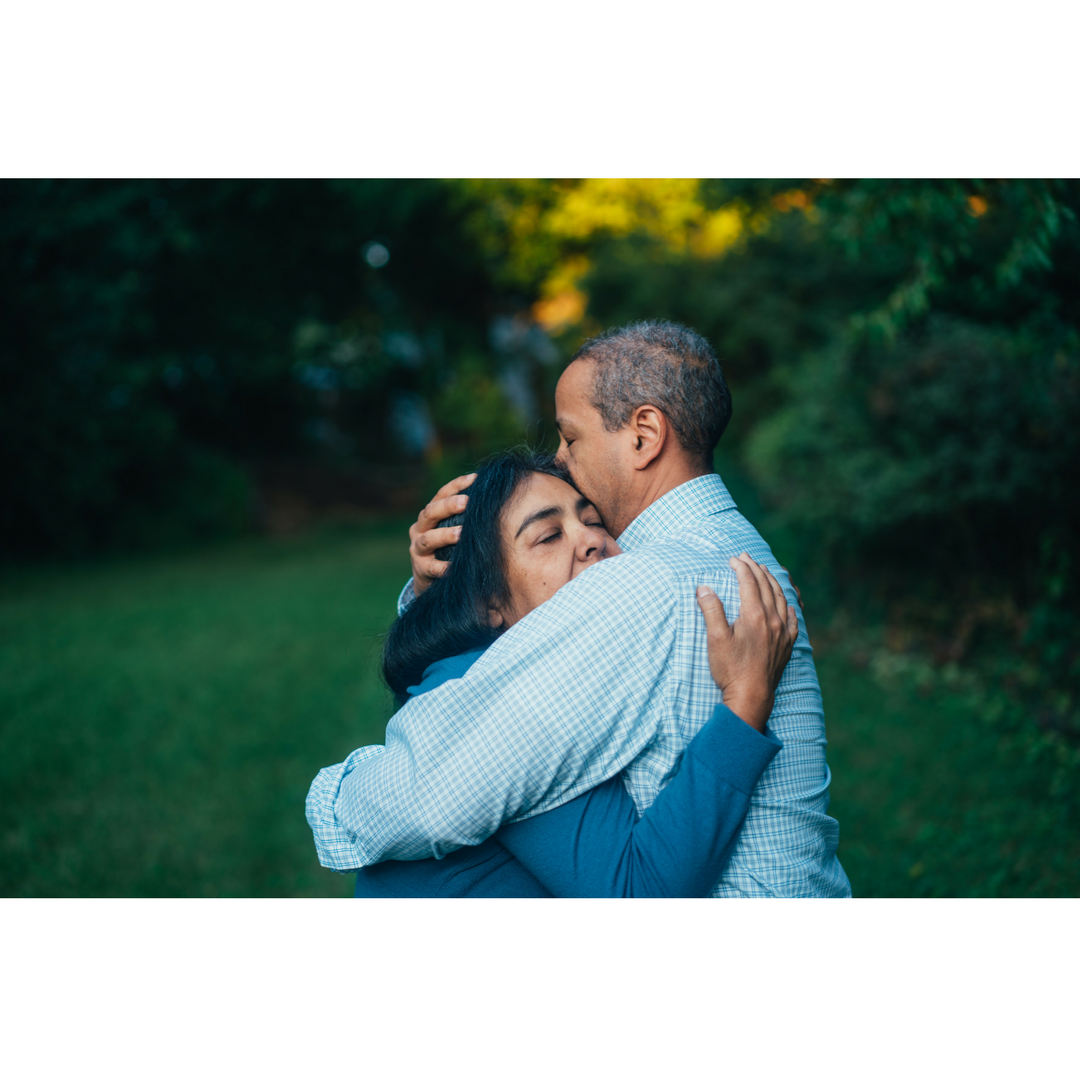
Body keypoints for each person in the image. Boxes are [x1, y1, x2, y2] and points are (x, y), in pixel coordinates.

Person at [310, 320, 851, 897]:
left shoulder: (642, 584)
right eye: (549, 534)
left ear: (644, 435)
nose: (561, 459)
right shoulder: (735, 553)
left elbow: (429, 794)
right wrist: (441, 589)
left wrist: (333, 798)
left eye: (571, 438)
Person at [308, 452, 797, 897]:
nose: (592, 540)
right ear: (488, 602)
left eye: (593, 520)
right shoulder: (506, 706)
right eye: (548, 536)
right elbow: (639, 892)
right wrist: (745, 702)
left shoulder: (497, 669)